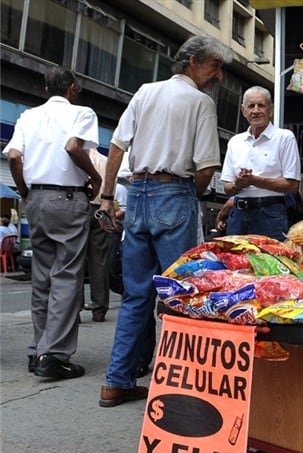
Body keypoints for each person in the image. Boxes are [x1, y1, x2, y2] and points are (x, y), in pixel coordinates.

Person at [95, 35, 231, 407]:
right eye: (214, 65)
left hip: (137, 194)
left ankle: (116, 380)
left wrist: (108, 197)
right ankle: (180, 386)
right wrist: (191, 194)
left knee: (137, 295)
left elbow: (117, 146)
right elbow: (205, 169)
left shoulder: (145, 91)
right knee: (182, 294)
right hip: (174, 192)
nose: (219, 74)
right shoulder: (201, 103)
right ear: (192, 62)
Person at [2, 66, 102, 380]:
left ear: (47, 88)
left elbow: (15, 157)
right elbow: (73, 147)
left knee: (42, 277)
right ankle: (54, 355)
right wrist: (96, 178)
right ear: (72, 88)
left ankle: (37, 349)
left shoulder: (28, 116)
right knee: (67, 277)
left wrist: (23, 191)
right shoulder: (83, 112)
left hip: (37, 199)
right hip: (68, 198)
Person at [220, 86, 300, 241]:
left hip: (270, 214)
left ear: (270, 110)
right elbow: (227, 188)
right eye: (251, 106)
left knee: (269, 263)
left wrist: (255, 180)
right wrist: (238, 184)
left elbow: (293, 185)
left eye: (261, 105)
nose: (255, 110)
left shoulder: (284, 137)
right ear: (243, 111)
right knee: (236, 263)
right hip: (238, 214)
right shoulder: (235, 142)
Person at [83, 149, 113, 322]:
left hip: (81, 207)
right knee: (99, 261)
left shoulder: (81, 158)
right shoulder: (106, 161)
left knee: (75, 260)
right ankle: (99, 309)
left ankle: (75, 307)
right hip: (102, 208)